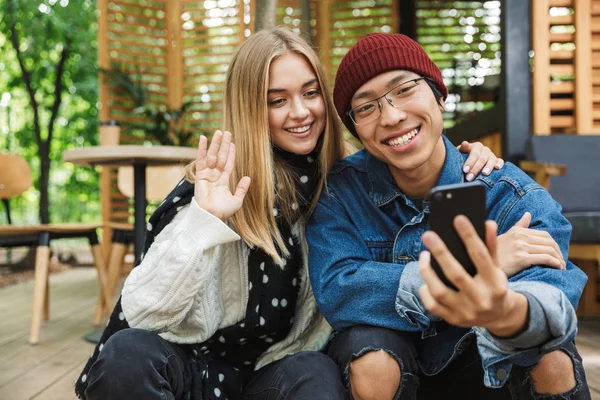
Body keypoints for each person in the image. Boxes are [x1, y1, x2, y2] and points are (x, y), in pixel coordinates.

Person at [76, 28, 505, 400]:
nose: (300, 113)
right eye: (277, 100)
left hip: (276, 374)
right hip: (191, 368)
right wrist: (203, 221)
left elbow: (413, 171)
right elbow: (143, 315)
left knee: (315, 375)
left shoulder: (346, 183)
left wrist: (455, 158)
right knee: (129, 353)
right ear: (250, 109)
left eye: (310, 93)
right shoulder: (213, 186)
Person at [306, 32, 590, 400]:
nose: (391, 116)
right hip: (393, 359)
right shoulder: (339, 193)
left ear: (439, 96)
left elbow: (553, 296)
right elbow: (338, 288)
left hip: (487, 363)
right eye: (366, 107)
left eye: (405, 89)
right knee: (370, 357)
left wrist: (505, 312)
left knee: (553, 356)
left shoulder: (508, 192)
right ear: (356, 129)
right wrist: (479, 266)